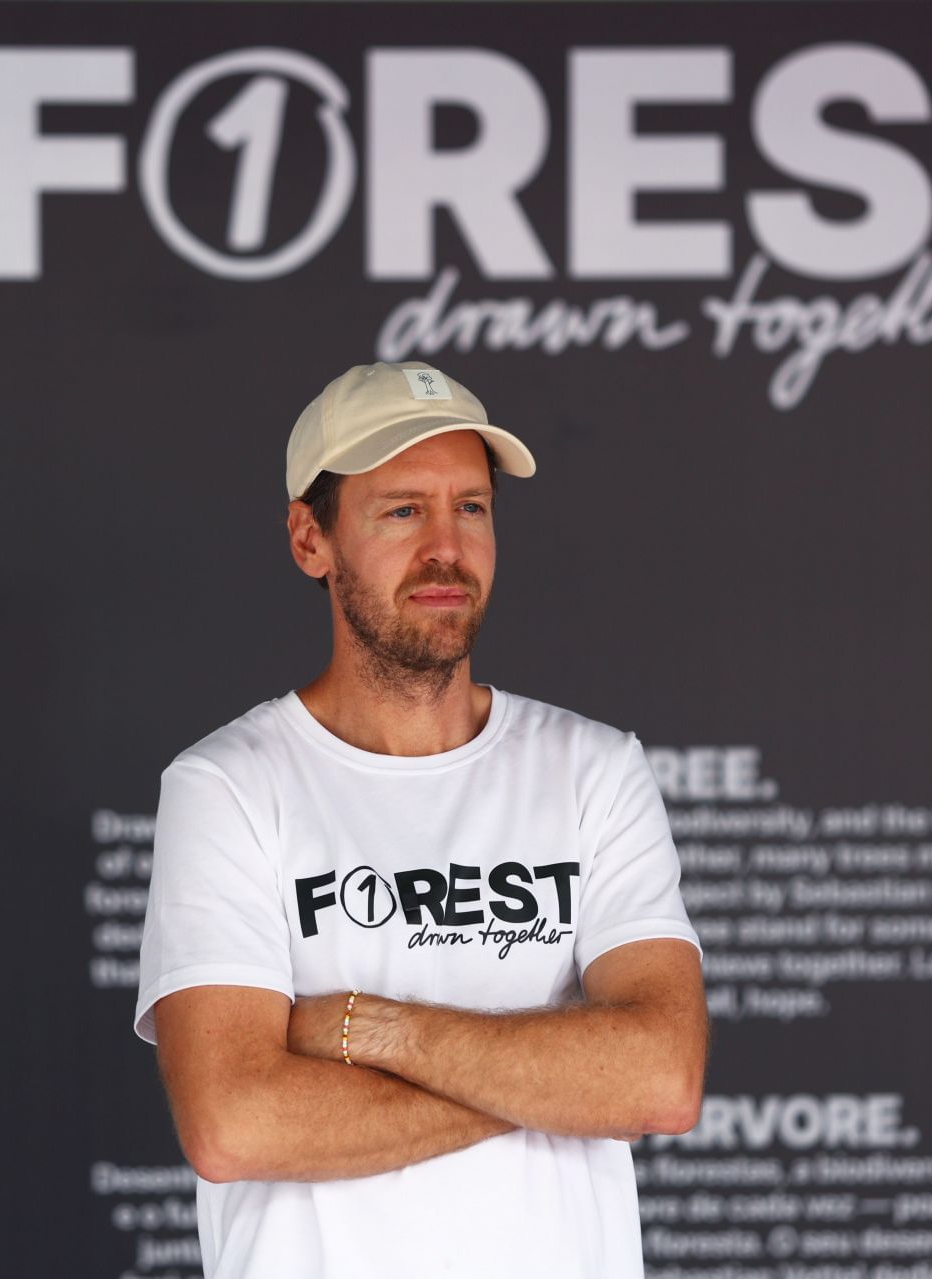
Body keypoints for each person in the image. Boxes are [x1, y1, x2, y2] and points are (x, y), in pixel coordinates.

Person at [132, 360, 708, 1278]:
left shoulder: (594, 768)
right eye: (403, 510)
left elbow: (662, 1078)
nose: (447, 547)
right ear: (310, 540)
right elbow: (235, 1124)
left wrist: (372, 1030)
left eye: (470, 507)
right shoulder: (227, 786)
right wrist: (556, 1082)